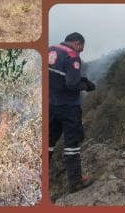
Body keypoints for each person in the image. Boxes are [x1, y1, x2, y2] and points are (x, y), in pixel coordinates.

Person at [49, 33, 96, 193]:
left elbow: (60, 74)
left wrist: (79, 78)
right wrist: (85, 85)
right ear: (77, 43)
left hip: (51, 104)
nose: (81, 52)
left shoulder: (51, 50)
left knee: (49, 142)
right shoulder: (72, 56)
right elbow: (71, 83)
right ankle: (75, 182)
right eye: (81, 48)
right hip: (69, 107)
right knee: (72, 144)